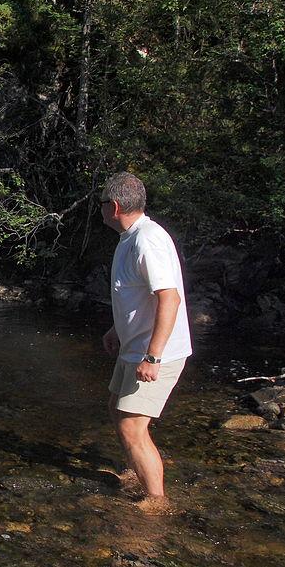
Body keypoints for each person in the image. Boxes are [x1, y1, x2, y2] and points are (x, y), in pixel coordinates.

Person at [99, 172, 191, 507]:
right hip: (133, 346)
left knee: (132, 427)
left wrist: (153, 357)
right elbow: (137, 296)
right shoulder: (130, 238)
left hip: (154, 353)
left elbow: (170, 298)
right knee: (116, 409)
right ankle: (136, 470)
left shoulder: (147, 240)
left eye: (102, 204)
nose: (101, 209)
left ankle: (156, 501)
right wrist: (116, 329)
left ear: (116, 206)